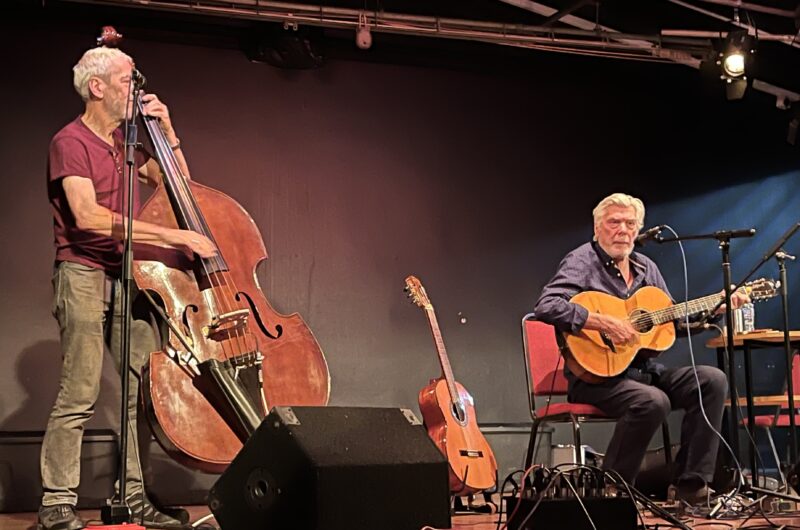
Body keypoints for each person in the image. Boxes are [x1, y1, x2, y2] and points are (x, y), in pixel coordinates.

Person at [40, 46, 217, 530]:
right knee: (79, 391)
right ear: (96, 86)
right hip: (82, 272)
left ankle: (133, 497)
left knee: (143, 390)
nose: (134, 90)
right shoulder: (70, 141)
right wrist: (173, 237)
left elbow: (180, 188)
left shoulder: (127, 143)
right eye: (125, 81)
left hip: (127, 276)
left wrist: (170, 133)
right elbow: (87, 216)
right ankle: (57, 504)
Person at [534, 192, 747, 503]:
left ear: (638, 229)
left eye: (630, 224)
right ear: (597, 228)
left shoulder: (646, 267)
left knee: (711, 380)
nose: (623, 230)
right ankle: (612, 489)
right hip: (596, 379)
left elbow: (670, 322)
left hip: (643, 371)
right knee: (653, 401)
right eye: (614, 223)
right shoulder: (582, 261)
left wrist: (714, 309)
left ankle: (692, 486)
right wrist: (601, 322)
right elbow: (546, 306)